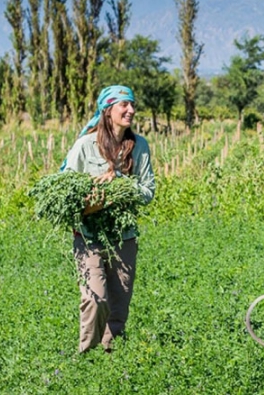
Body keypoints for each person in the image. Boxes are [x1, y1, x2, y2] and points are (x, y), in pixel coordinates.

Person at [61, 85, 156, 353]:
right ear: (107, 110)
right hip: (88, 236)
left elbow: (147, 191)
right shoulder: (85, 146)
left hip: (124, 237)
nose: (131, 110)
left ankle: (111, 360)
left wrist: (120, 182)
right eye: (124, 105)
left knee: (118, 307)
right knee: (95, 299)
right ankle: (87, 357)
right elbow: (66, 188)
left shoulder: (139, 146)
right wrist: (92, 191)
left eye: (132, 104)